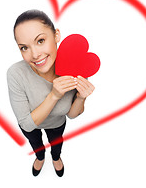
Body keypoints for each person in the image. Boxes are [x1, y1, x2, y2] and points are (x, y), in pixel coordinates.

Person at [7, 9, 95, 177]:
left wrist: (81, 98)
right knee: (36, 144)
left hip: (57, 124)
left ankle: (55, 157)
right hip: (32, 128)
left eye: (40, 41)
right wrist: (54, 95)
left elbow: (72, 115)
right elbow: (26, 124)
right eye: (24, 47)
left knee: (56, 143)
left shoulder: (76, 67)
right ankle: (40, 157)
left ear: (56, 36)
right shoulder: (15, 74)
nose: (34, 54)